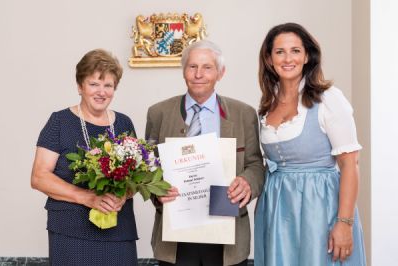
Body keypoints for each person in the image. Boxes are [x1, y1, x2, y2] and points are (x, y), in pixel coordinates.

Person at [254, 22, 366, 265]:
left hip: (319, 206)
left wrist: (344, 224)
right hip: (276, 209)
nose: (287, 58)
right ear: (269, 58)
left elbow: (350, 164)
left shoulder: (328, 99)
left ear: (307, 56)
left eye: (295, 50)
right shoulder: (268, 102)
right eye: (279, 51)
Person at [145, 40, 265, 266]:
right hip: (175, 234)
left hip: (226, 234)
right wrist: (157, 191)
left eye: (207, 67)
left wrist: (248, 182)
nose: (199, 74)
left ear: (221, 73)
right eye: (192, 67)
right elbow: (148, 167)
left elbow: (256, 165)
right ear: (183, 71)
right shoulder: (158, 113)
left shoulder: (244, 114)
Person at [31, 49, 138, 266]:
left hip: (119, 231)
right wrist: (88, 197)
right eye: (94, 84)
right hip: (71, 233)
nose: (101, 92)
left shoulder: (124, 124)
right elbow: (39, 177)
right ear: (80, 86)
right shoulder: (59, 122)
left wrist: (123, 195)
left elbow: (136, 177)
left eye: (108, 85)